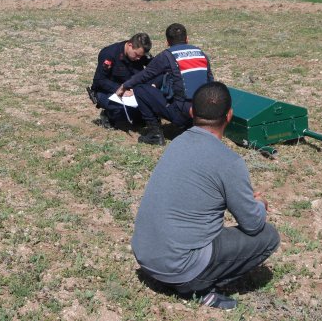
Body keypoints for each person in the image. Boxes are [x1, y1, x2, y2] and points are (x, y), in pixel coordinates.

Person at [132, 82, 280, 310]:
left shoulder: (177, 143)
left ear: (192, 112)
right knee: (268, 235)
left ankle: (183, 276)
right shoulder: (230, 162)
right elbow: (252, 224)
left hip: (145, 257)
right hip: (179, 266)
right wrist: (258, 204)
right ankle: (197, 287)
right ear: (229, 116)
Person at [116, 23, 213, 145]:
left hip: (182, 113)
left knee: (140, 89)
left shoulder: (167, 56)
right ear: (187, 39)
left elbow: (145, 75)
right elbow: (211, 83)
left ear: (167, 42)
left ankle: (155, 134)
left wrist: (124, 86)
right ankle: (191, 125)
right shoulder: (201, 54)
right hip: (203, 113)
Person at [87, 33, 152, 130]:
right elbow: (99, 80)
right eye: (137, 55)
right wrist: (121, 89)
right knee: (120, 111)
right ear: (130, 45)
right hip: (107, 91)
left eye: (141, 56)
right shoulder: (110, 53)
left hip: (131, 92)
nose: (139, 58)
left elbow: (154, 67)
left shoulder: (141, 54)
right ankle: (108, 115)